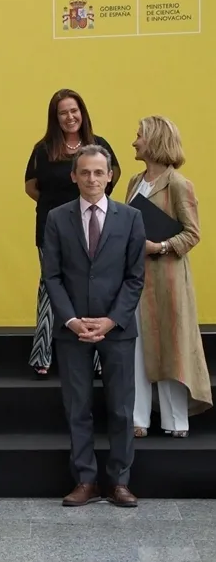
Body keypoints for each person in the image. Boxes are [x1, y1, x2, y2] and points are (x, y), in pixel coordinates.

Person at [42, 144, 145, 508]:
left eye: (99, 172)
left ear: (110, 176)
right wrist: (71, 320)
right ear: (74, 176)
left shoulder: (130, 218)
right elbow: (52, 276)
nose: (92, 179)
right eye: (84, 172)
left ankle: (119, 482)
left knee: (121, 409)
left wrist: (112, 320)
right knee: (78, 408)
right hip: (72, 330)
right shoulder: (57, 218)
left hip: (117, 328)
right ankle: (85, 480)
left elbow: (135, 277)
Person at [25, 89, 120, 378]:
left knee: (93, 288)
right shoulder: (43, 149)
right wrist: (61, 210)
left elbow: (113, 175)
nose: (70, 117)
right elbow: (31, 187)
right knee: (49, 287)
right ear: (55, 118)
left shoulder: (99, 144)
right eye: (63, 112)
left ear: (82, 112)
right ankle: (42, 354)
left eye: (74, 110)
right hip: (52, 228)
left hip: (94, 227)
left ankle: (96, 357)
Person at [126, 116, 212, 438]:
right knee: (136, 346)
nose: (134, 141)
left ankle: (176, 421)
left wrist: (159, 246)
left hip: (169, 279)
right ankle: (138, 419)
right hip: (137, 278)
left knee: (171, 346)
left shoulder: (178, 184)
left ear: (155, 140)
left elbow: (192, 233)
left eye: (139, 135)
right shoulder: (134, 182)